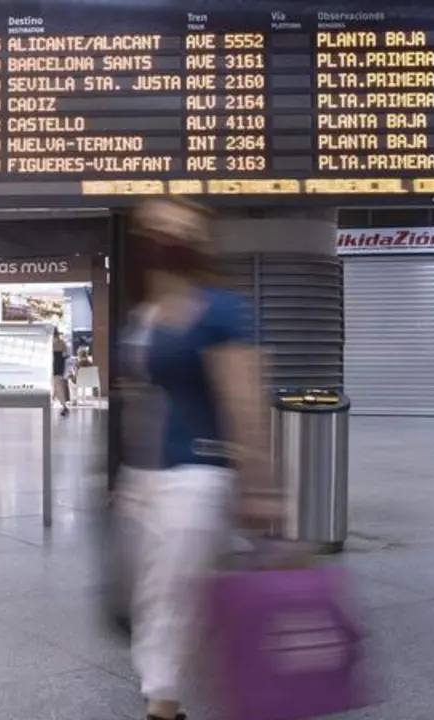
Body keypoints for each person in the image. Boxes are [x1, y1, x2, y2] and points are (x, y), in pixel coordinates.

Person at [116, 197, 281, 720]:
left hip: (199, 473)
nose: (167, 234)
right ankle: (171, 686)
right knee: (152, 596)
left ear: (200, 241)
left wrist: (259, 484)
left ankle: (163, 704)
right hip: (146, 477)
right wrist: (129, 477)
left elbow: (245, 402)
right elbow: (140, 400)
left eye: (179, 226)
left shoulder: (223, 311)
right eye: (156, 226)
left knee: (170, 593)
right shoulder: (142, 316)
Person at [51, 327, 71, 417]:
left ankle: (64, 407)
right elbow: (66, 354)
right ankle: (56, 404)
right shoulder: (62, 342)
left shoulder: (51, 342)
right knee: (56, 385)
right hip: (60, 365)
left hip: (54, 364)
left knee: (56, 386)